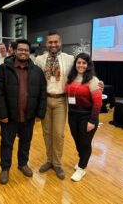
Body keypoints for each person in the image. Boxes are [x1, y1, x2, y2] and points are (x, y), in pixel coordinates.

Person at [0, 39, 47, 184]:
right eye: (20, 49)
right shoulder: (4, 69)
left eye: (26, 50)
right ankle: (5, 168)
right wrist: (3, 115)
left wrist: (40, 113)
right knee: (7, 143)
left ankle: (23, 164)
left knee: (26, 142)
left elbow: (42, 93)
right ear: (14, 51)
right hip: (10, 117)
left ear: (29, 52)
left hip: (29, 116)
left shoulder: (37, 71)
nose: (23, 52)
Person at [35, 31, 74, 179]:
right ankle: (49, 160)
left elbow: (83, 72)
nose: (53, 45)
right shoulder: (39, 59)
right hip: (45, 100)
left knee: (58, 133)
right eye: (50, 42)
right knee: (46, 133)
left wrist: (97, 81)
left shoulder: (69, 59)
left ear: (60, 42)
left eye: (55, 42)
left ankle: (57, 163)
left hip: (61, 101)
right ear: (46, 44)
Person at [65, 53, 102, 181]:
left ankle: (81, 168)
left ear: (88, 65)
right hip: (72, 116)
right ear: (75, 64)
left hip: (87, 117)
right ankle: (82, 160)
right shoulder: (70, 78)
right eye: (78, 62)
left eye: (84, 63)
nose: (81, 65)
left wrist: (92, 121)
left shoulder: (93, 80)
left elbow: (98, 103)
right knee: (77, 141)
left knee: (85, 143)